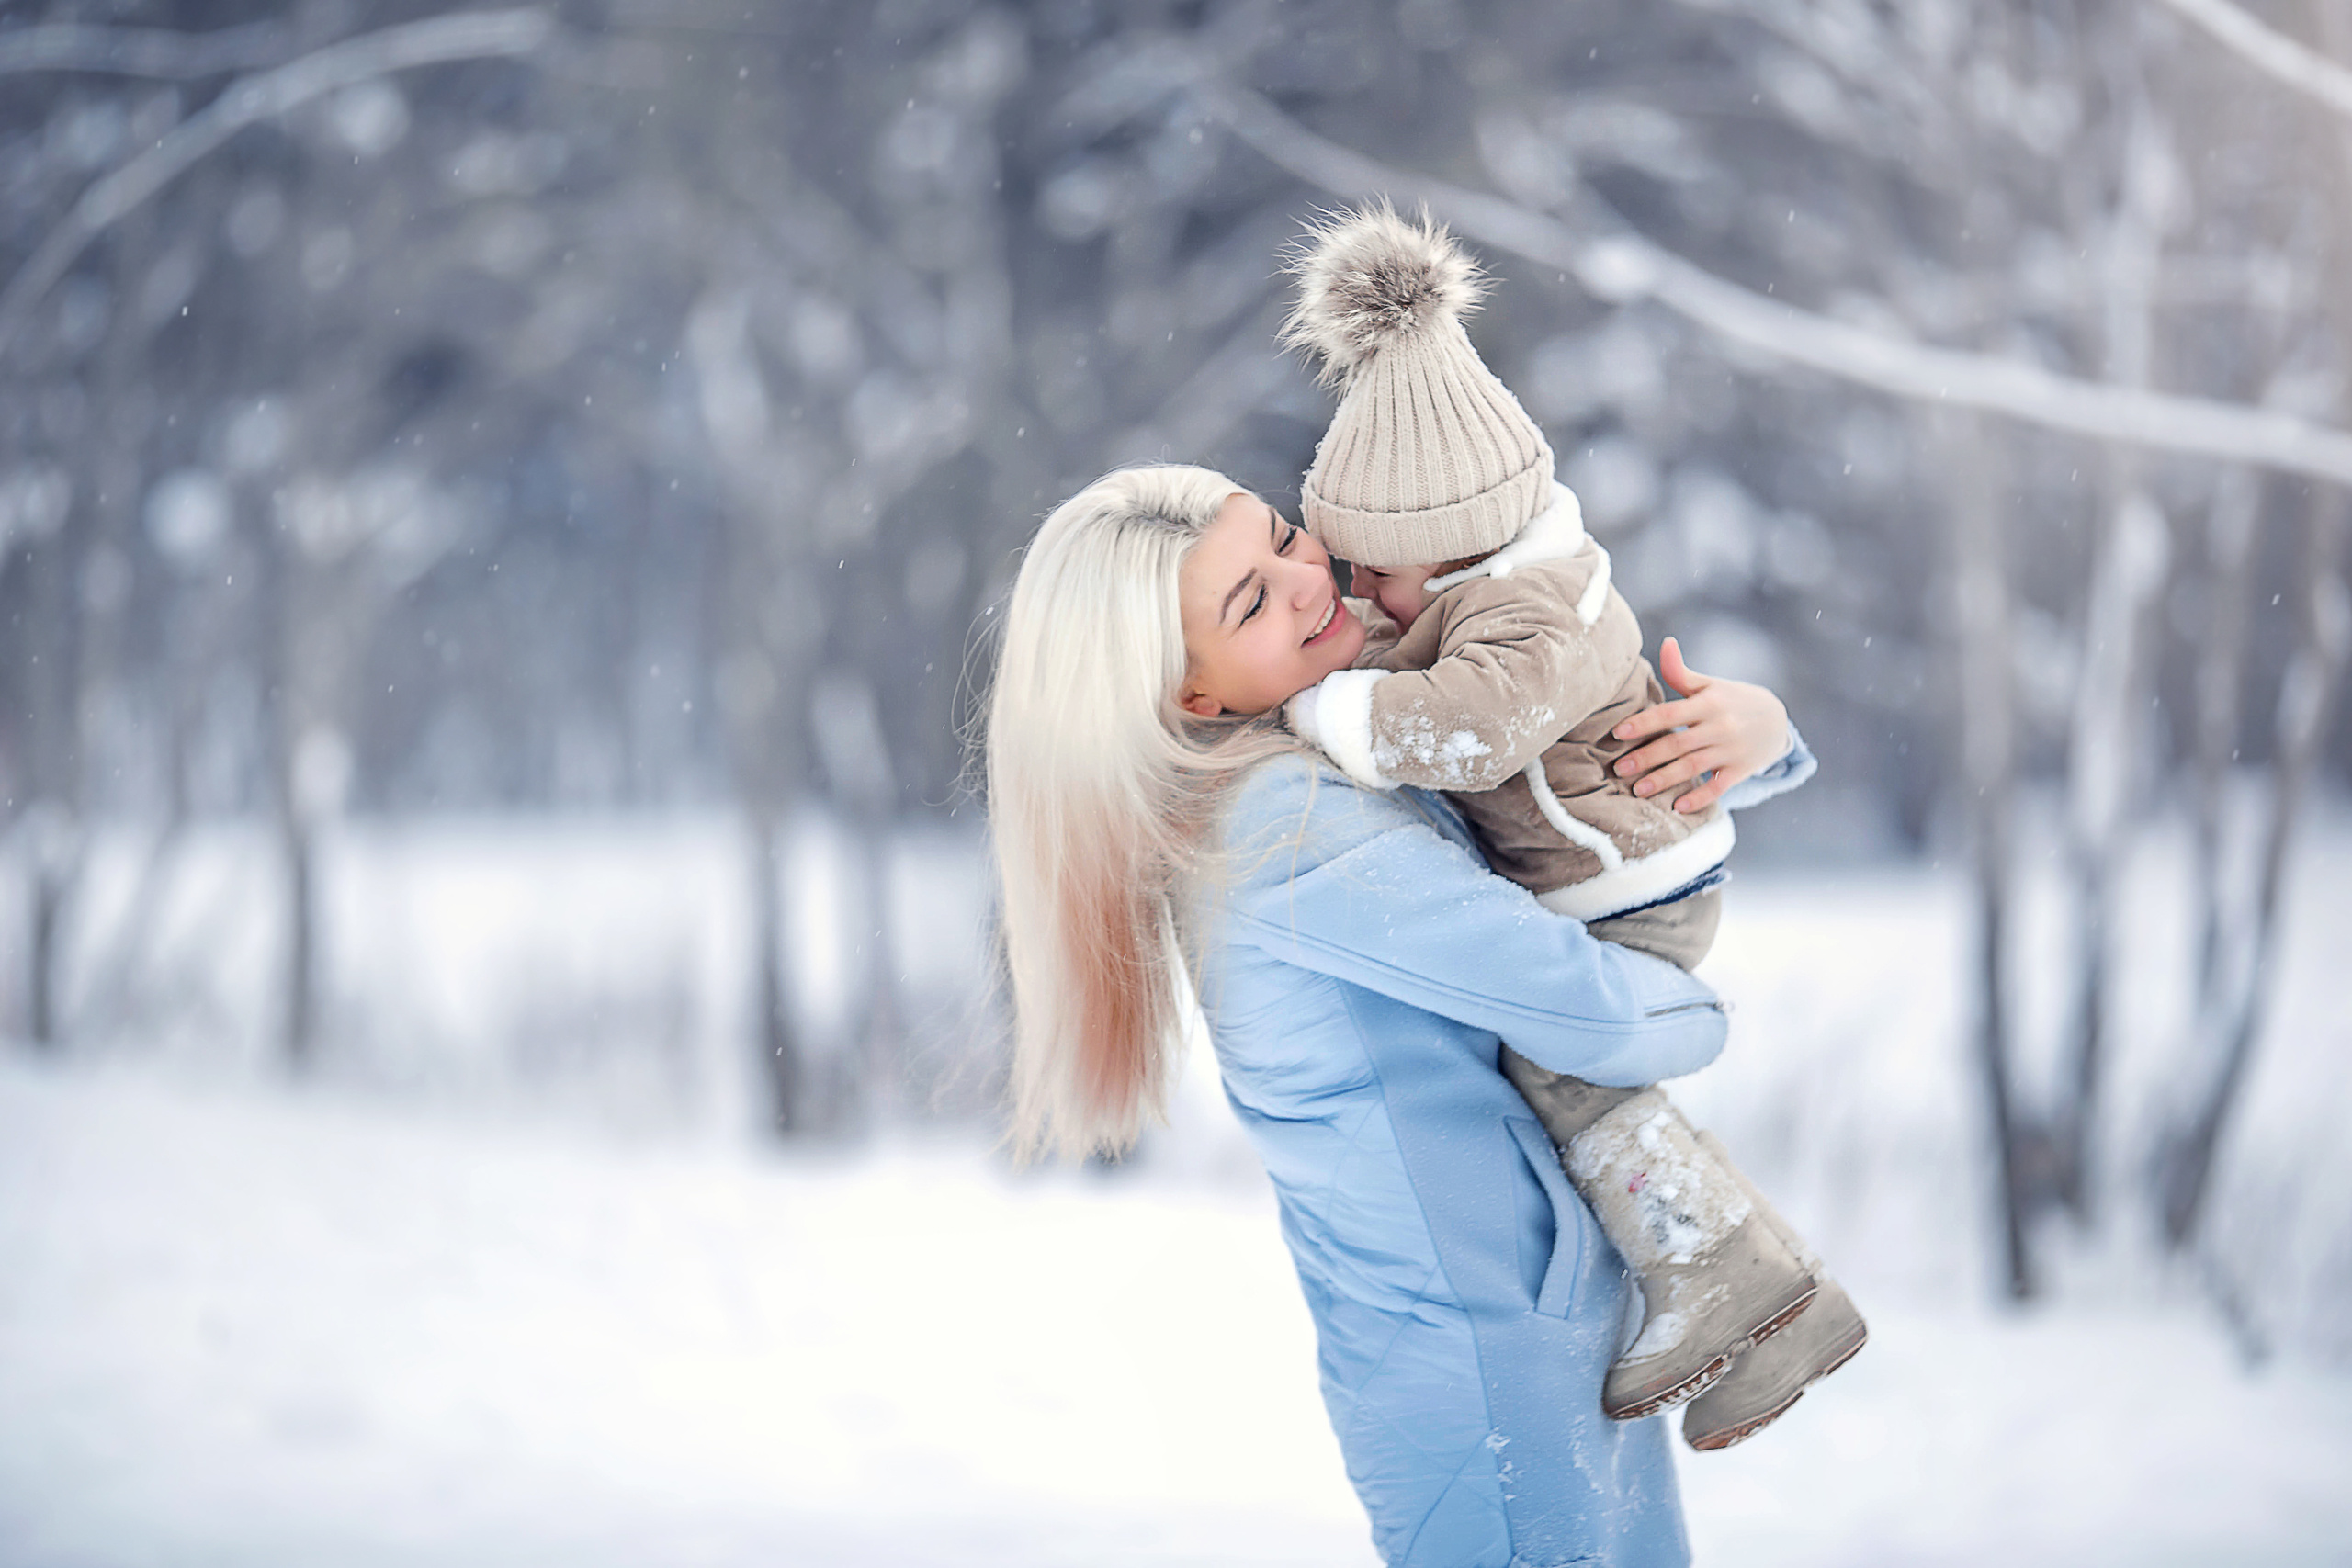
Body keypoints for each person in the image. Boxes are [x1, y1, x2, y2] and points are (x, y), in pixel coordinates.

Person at [985, 462, 1810, 1566]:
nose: (1305, 579)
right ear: (1191, 695)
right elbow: (1592, 1014)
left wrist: (1752, 740)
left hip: (1521, 1320)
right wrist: (1699, 1011)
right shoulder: (1283, 826)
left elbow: (1567, 787)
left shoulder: (1347, 720)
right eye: (1250, 600)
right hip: (1482, 1360)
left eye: (1282, 536)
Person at [1272, 203, 1865, 1448]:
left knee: (1574, 1083)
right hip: (1624, 874)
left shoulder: (1526, 618)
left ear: (1446, 553)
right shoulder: (1477, 586)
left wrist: (1320, 707)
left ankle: (1718, 1276)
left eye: (1373, 573)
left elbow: (1470, 729)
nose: (1358, 598)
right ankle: (1779, 1305)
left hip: (1629, 891)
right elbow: (1407, 646)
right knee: (1591, 1085)